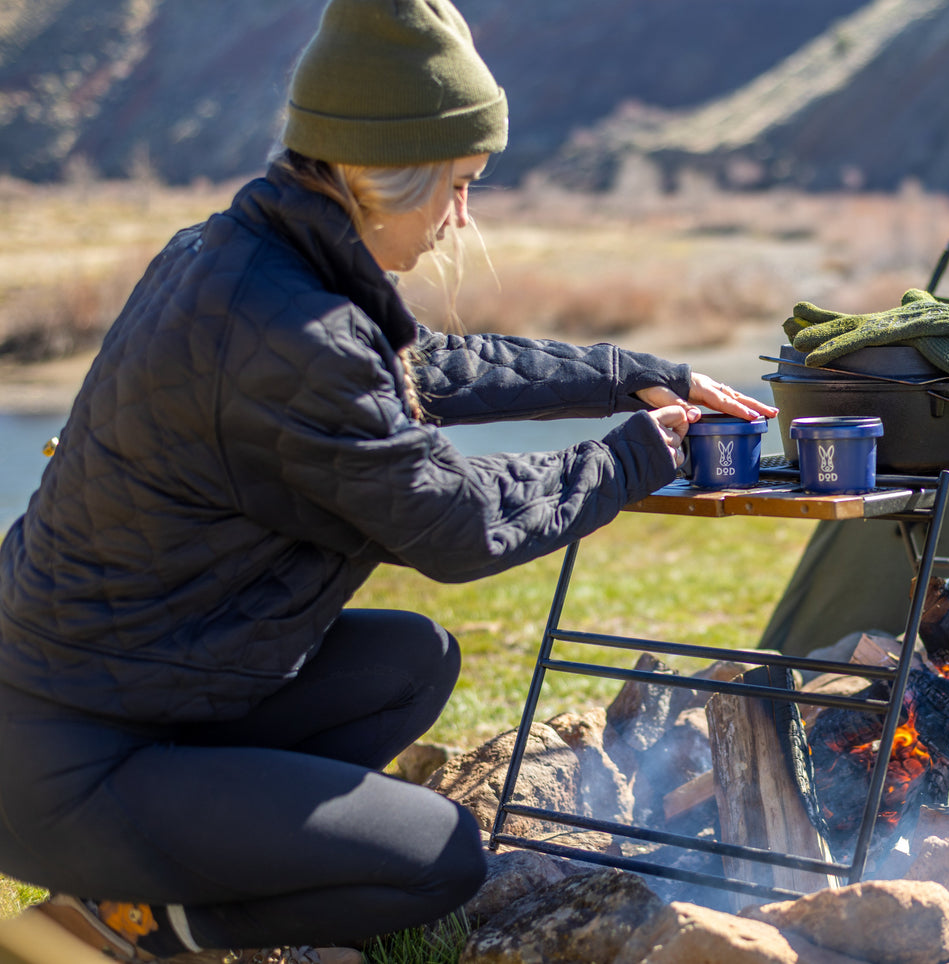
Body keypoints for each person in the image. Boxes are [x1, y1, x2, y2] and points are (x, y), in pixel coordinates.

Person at [0, 1, 776, 961]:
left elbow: (429, 369)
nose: (461, 220)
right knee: (435, 862)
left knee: (408, 661)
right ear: (377, 176)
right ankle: (128, 921)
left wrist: (629, 373)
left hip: (99, 707)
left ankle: (191, 858)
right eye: (456, 186)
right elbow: (455, 526)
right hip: (76, 766)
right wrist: (636, 452)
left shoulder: (239, 259)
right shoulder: (297, 332)